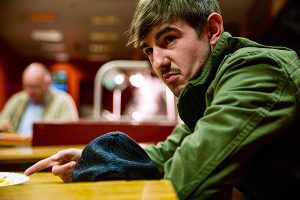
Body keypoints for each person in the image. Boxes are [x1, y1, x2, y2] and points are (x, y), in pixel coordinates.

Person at [24, 0, 300, 199]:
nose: (158, 62)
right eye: (148, 49)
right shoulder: (205, 88)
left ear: (213, 30)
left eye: (169, 39)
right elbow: (166, 153)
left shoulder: (256, 69)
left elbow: (189, 180)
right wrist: (91, 159)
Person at [0, 62, 79, 136]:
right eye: (27, 86)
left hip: (45, 149)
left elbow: (70, 133)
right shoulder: (17, 99)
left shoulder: (63, 101)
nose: (30, 91)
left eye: (35, 87)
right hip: (15, 147)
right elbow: (2, 121)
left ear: (47, 83)